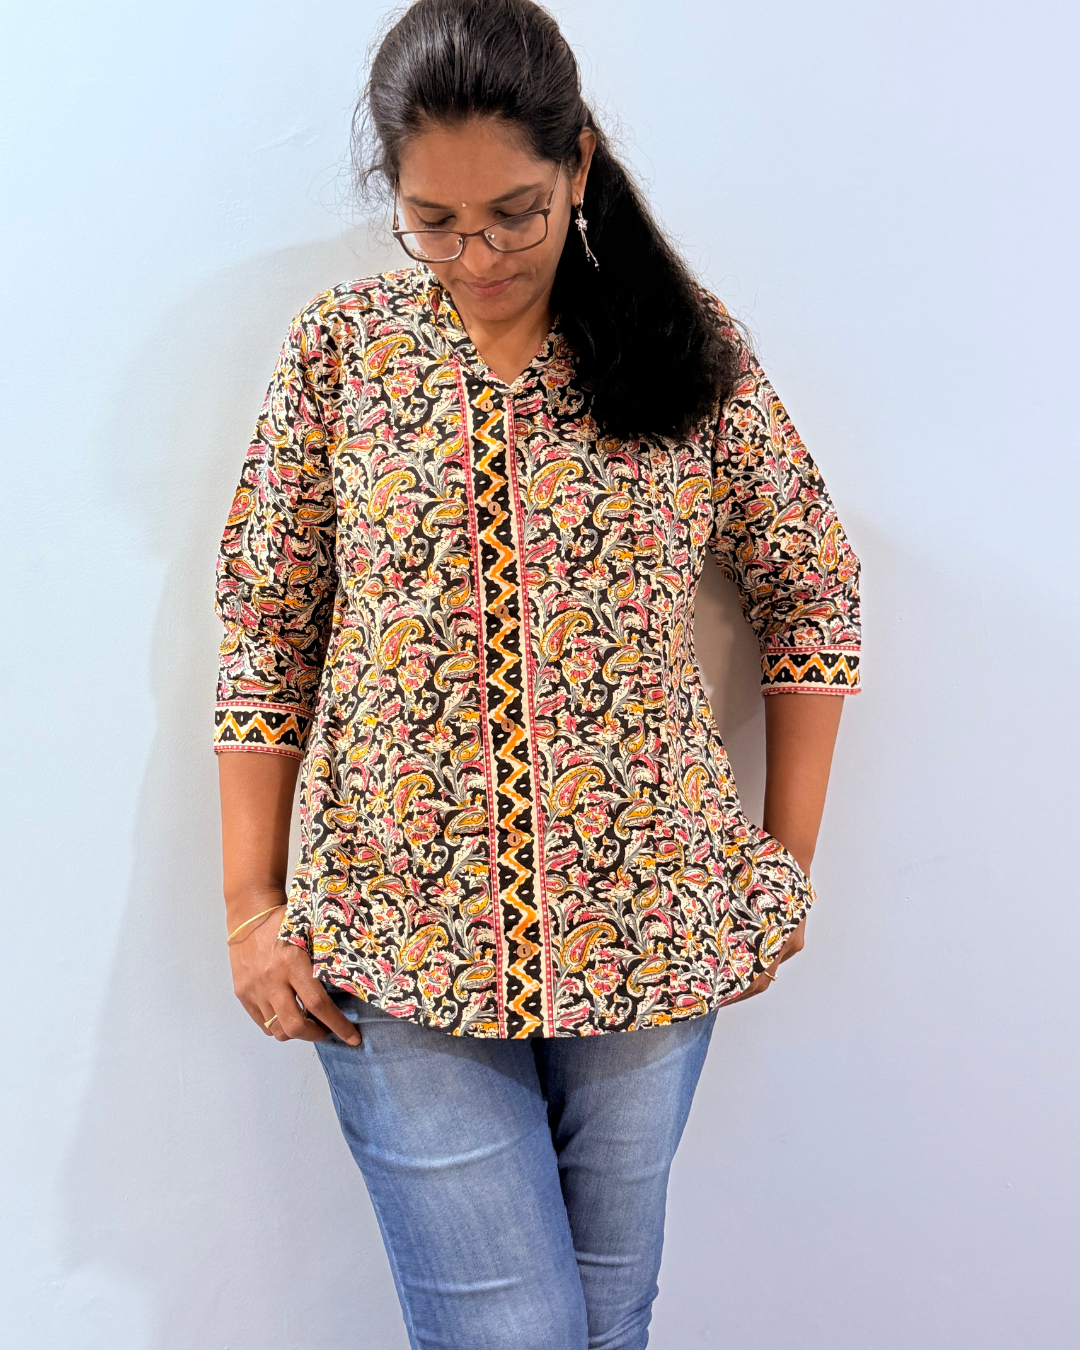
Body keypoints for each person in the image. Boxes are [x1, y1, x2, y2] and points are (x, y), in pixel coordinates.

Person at [214, 1, 861, 1346]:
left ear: (578, 164)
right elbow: (267, 625)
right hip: (396, 930)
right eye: (435, 221)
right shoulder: (343, 355)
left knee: (609, 1325)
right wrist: (247, 906)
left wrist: (785, 866)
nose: (479, 254)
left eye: (515, 213)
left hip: (653, 920)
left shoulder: (684, 345)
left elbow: (810, 584)